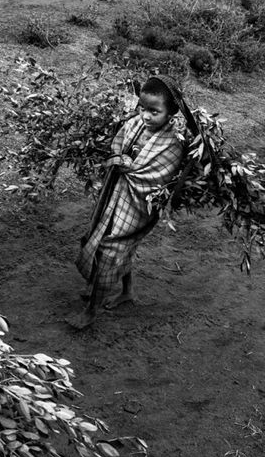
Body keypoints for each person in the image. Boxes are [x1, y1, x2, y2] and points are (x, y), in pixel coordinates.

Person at [71, 74, 189, 329]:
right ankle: (127, 291)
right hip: (115, 193)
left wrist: (125, 164)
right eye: (143, 108)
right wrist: (118, 158)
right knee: (112, 241)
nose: (146, 116)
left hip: (139, 204)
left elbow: (157, 179)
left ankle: (92, 310)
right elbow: (117, 145)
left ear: (171, 114)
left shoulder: (172, 145)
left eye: (154, 111)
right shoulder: (135, 123)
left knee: (111, 249)